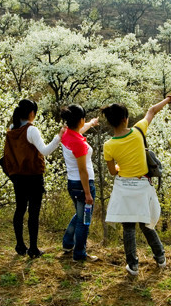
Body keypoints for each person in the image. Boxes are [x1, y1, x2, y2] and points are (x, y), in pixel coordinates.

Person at [101, 91, 171, 275]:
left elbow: (113, 171)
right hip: (142, 186)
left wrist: (120, 166)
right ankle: (160, 258)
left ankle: (133, 265)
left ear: (111, 122)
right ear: (125, 119)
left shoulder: (109, 146)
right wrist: (169, 98)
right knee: (146, 224)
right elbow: (152, 110)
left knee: (128, 227)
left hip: (124, 188)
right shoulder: (138, 131)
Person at [3, 99, 65, 258]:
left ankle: (20, 245)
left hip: (17, 176)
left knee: (20, 209)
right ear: (31, 113)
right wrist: (59, 137)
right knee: (34, 212)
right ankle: (33, 249)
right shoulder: (31, 130)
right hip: (33, 176)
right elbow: (45, 151)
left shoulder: (12, 129)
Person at [60, 104, 99, 261]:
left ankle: (68, 243)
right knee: (84, 220)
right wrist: (88, 193)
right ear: (80, 120)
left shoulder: (66, 135)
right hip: (84, 185)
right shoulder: (79, 143)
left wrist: (90, 123)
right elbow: (83, 170)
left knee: (79, 214)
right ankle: (80, 254)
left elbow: (79, 131)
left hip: (72, 184)